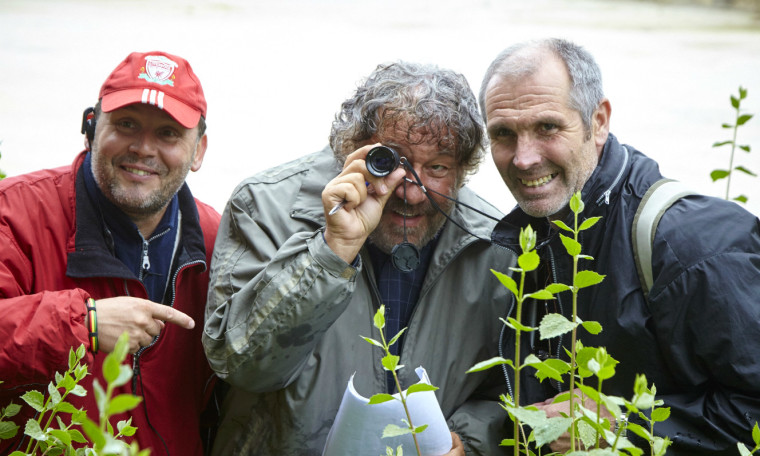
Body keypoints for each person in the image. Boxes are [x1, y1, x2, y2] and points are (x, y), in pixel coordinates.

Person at [203, 61, 515, 455]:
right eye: (393, 161)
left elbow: (512, 390)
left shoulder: (495, 244)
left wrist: (467, 442)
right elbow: (243, 366)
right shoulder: (264, 206)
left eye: (437, 167)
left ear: (463, 171)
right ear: (350, 147)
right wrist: (332, 250)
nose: (412, 191)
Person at [480, 37, 760, 454]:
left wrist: (619, 425)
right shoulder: (522, 241)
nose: (523, 158)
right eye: (503, 134)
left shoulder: (694, 246)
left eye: (547, 127)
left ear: (599, 121)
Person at [0, 51, 221, 455]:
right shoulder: (14, 212)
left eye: (168, 133)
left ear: (199, 151)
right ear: (90, 127)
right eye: (126, 124)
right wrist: (85, 324)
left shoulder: (219, 237)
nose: (143, 148)